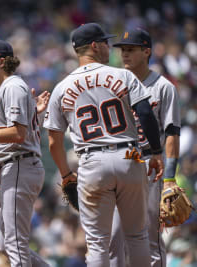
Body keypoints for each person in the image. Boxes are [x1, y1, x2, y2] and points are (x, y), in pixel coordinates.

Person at [43, 23, 164, 267]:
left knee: (98, 242)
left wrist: (67, 175)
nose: (110, 47)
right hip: (129, 156)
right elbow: (146, 114)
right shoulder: (123, 75)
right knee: (137, 236)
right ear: (95, 46)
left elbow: (54, 142)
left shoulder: (61, 88)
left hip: (91, 162)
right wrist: (157, 152)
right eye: (106, 43)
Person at [0, 39, 50, 267]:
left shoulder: (13, 86)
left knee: (15, 244)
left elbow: (17, 134)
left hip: (20, 164)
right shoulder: (10, 88)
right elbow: (23, 131)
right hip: (15, 165)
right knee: (6, 245)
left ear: (2, 62)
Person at [109, 28, 182, 267]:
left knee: (150, 236)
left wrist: (169, 179)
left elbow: (171, 134)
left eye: (131, 50)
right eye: (122, 50)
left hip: (151, 165)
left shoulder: (163, 87)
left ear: (146, 52)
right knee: (114, 237)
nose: (125, 55)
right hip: (121, 163)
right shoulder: (116, 85)